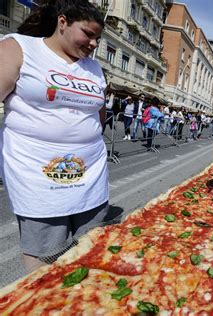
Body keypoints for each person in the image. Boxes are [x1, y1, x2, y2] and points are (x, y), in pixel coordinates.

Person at [0, 0, 110, 271]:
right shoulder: (19, 47)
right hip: (37, 171)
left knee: (93, 248)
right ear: (63, 22)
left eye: (97, 38)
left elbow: (99, 113)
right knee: (47, 259)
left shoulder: (94, 69)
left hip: (90, 172)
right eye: (88, 34)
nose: (93, 43)